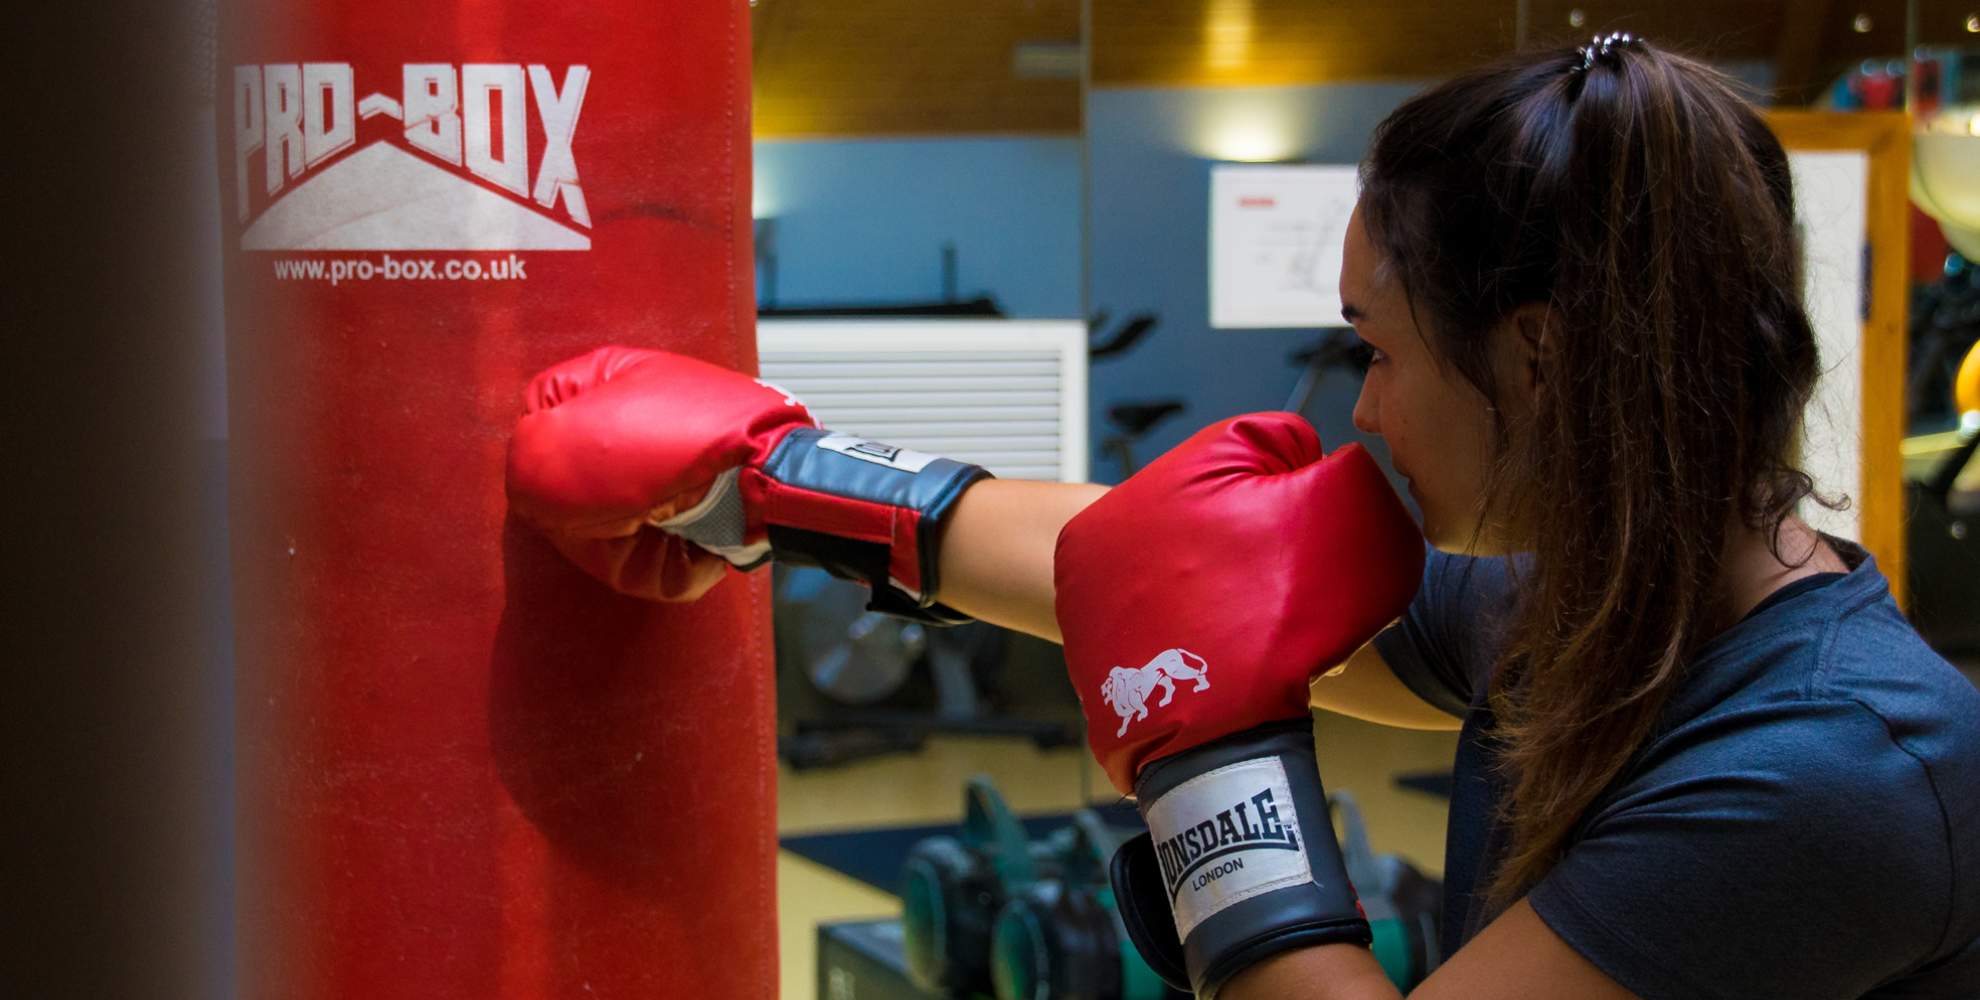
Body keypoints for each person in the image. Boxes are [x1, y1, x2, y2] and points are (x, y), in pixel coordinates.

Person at [506, 37, 1980, 1000]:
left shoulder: (1829, 777)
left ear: (1535, 355)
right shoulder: (1611, 610)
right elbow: (1144, 562)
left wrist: (1204, 757)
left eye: (1379, 349)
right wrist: (780, 482)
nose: (1365, 409)